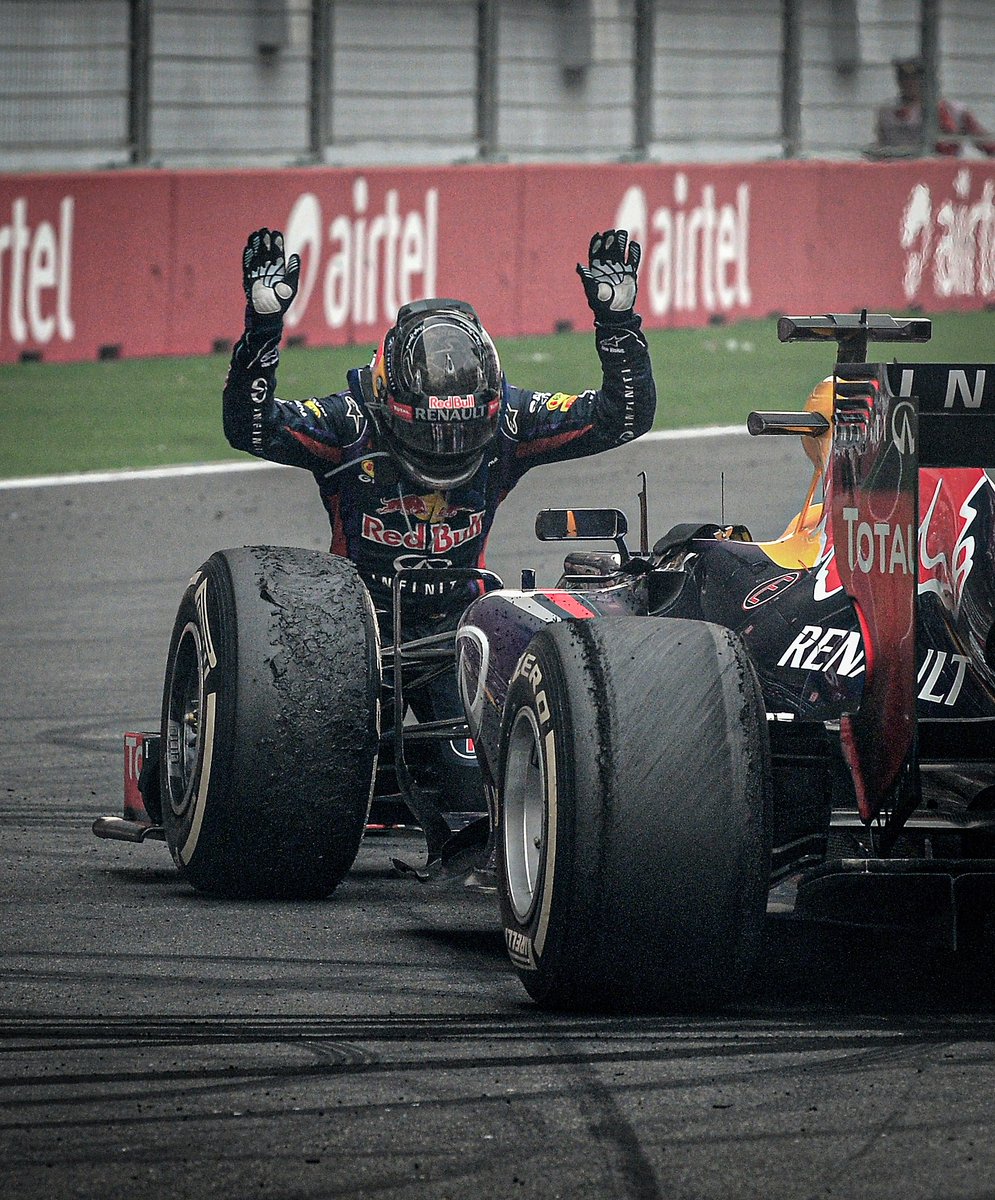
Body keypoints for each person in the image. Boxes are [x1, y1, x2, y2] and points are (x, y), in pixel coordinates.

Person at [223, 226, 657, 808]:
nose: (446, 445)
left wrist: (618, 323)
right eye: (430, 432)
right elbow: (251, 428)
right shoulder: (351, 425)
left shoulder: (510, 421)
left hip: (456, 631)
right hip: (353, 626)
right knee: (318, 784)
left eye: (459, 432)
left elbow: (621, 419)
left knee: (474, 789)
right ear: (388, 400)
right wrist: (263, 327)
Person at [873, 57, 995, 158]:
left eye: (915, 78)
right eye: (903, 78)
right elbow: (882, 147)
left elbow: (985, 142)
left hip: (941, 173)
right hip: (900, 173)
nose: (908, 83)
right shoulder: (887, 112)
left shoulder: (952, 110)